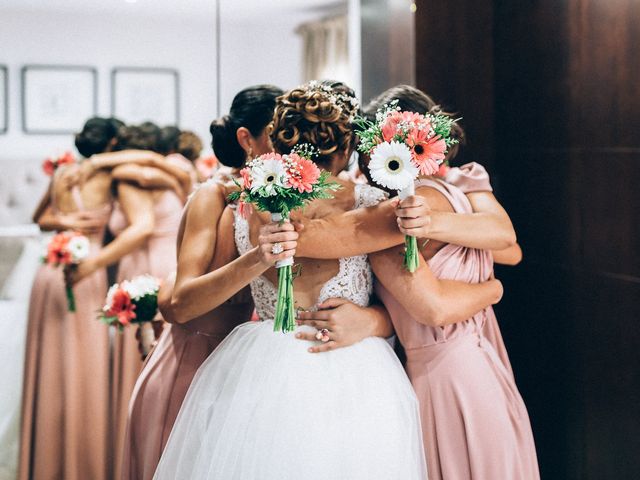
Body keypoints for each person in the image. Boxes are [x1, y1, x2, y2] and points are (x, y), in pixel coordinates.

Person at [153, 81, 502, 479]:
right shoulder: (373, 207)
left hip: (259, 367)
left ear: (278, 144)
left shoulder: (242, 207)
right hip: (355, 368)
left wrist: (257, 257)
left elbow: (187, 305)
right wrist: (491, 287)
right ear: (347, 149)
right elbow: (438, 286)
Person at [297, 85, 539, 479]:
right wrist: (491, 289)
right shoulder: (443, 194)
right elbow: (506, 247)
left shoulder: (416, 206)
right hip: (475, 356)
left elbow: (505, 248)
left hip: (448, 372)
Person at [121, 85, 283, 480]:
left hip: (239, 367)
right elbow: (180, 304)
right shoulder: (215, 196)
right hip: (190, 366)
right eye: (280, 134)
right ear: (247, 138)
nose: (291, 146)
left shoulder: (276, 195)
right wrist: (257, 258)